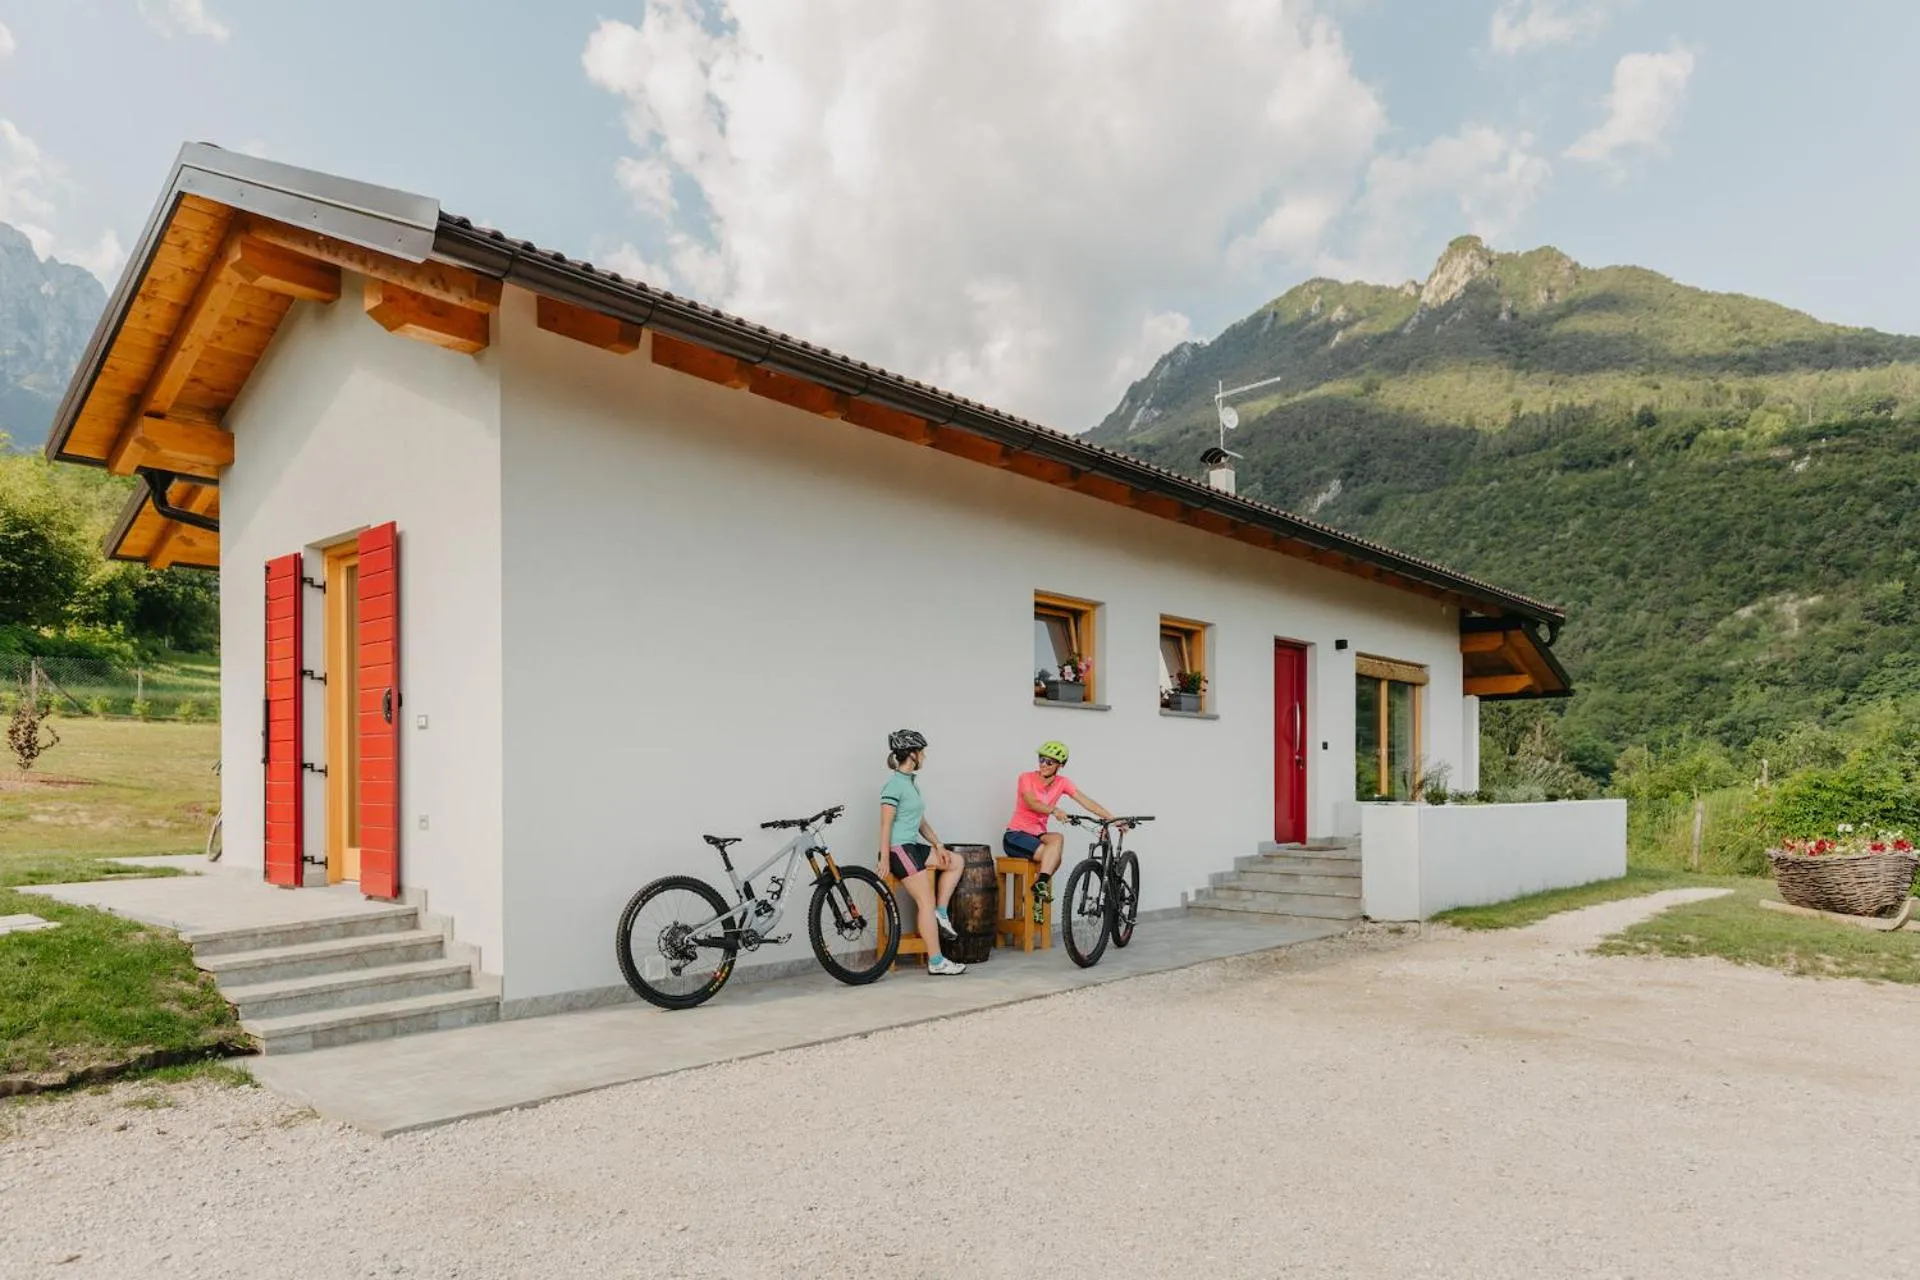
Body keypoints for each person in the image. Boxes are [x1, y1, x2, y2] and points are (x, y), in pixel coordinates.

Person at [878, 729, 967, 976]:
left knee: (956, 861)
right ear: (913, 755)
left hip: (913, 847)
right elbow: (885, 824)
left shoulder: (910, 783)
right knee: (924, 902)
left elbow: (919, 820)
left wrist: (938, 845)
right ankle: (937, 961)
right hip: (898, 850)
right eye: (923, 753)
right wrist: (884, 857)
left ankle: (942, 911)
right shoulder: (894, 785)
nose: (925, 757)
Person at [1002, 740, 1116, 922]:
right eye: (1041, 759)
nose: (1043, 765)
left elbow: (1086, 801)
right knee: (1053, 856)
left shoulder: (1062, 783)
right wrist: (1054, 810)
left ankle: (1038, 888)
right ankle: (1038, 892)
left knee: (1057, 839)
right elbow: (1032, 802)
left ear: (1060, 765)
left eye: (1049, 762)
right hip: (1015, 836)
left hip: (1037, 835)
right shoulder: (1026, 778)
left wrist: (1113, 819)